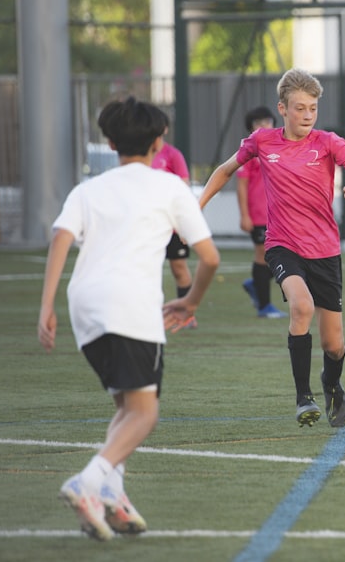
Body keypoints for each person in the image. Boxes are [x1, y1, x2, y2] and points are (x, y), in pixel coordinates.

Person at [38, 97, 220, 541]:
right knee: (145, 413)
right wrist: (191, 302)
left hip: (84, 304)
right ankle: (88, 481)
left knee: (126, 404)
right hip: (131, 304)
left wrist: (46, 305)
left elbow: (61, 238)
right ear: (160, 142)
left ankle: (113, 493)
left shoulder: (87, 189)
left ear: (110, 141)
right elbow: (210, 259)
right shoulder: (170, 187)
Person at [198, 68, 345, 428]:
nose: (308, 115)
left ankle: (331, 383)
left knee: (334, 344)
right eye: (300, 108)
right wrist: (196, 206)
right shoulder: (262, 141)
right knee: (301, 306)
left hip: (325, 250)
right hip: (282, 244)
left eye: (313, 108)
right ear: (282, 108)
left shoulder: (329, 142)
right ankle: (303, 397)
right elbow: (224, 170)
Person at [237, 105, 285, 318]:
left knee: (289, 255)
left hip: (280, 215)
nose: (264, 126)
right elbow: (242, 185)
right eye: (258, 123)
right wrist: (244, 215)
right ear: (251, 129)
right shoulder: (249, 151)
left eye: (267, 121)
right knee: (263, 256)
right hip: (259, 214)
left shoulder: (280, 149)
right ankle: (264, 307)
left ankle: (256, 282)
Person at [150, 113, 196, 327]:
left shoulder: (173, 155)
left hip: (172, 224)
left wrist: (183, 222)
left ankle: (186, 313)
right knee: (148, 268)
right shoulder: (139, 156)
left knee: (179, 267)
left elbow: (183, 187)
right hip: (149, 224)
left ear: (165, 129)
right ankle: (147, 313)